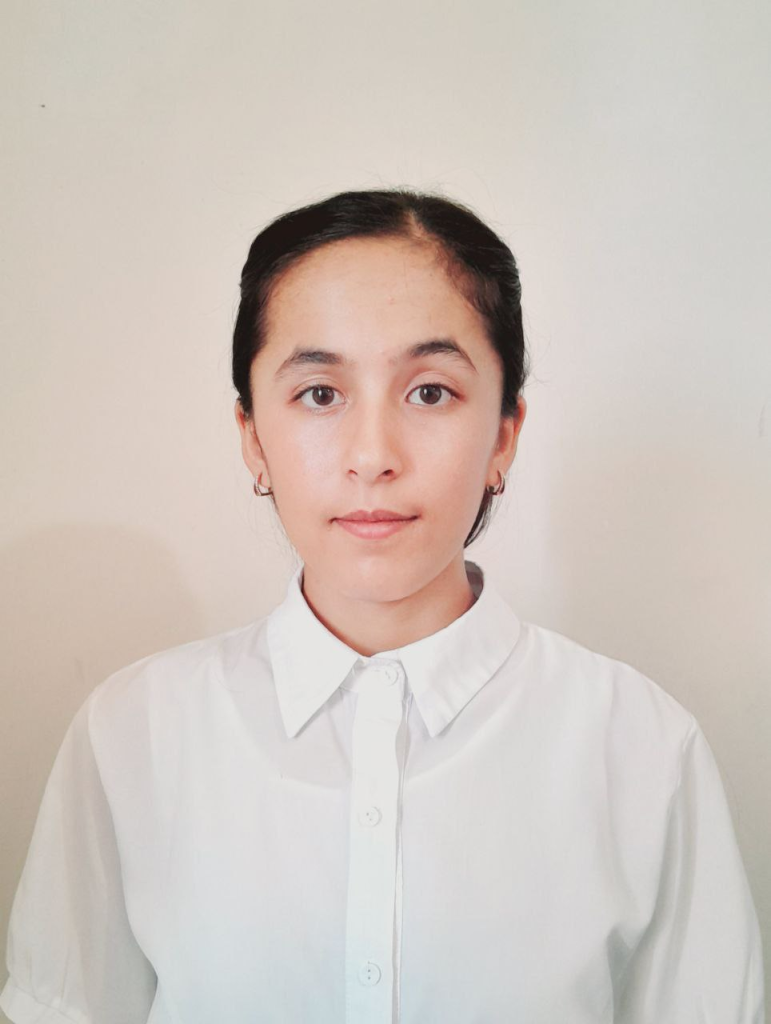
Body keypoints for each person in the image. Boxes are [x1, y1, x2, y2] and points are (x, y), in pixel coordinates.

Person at [0, 188, 764, 1024]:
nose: (372, 456)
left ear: (503, 433)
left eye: (429, 392)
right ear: (253, 436)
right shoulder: (130, 734)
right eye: (319, 394)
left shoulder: (643, 748)